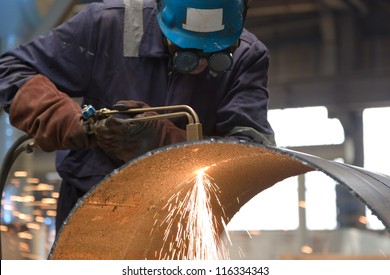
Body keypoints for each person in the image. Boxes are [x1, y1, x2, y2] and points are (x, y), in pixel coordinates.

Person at [0, 0, 276, 233]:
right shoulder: (107, 25)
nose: (199, 65)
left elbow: (253, 154)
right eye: (185, 52)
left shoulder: (247, 56)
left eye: (215, 56)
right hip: (92, 208)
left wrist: (161, 140)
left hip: (181, 214)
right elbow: (11, 71)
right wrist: (71, 123)